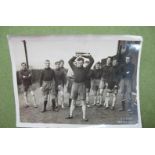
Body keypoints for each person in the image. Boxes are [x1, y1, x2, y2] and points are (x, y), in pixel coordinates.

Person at [66, 53, 94, 121]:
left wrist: (83, 55)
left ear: (83, 63)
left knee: (83, 102)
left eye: (81, 63)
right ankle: (70, 115)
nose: (79, 64)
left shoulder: (86, 69)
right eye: (78, 62)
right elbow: (69, 61)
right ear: (77, 62)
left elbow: (92, 60)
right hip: (75, 85)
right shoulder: (74, 67)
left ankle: (84, 117)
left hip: (82, 85)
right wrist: (76, 56)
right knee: (73, 101)